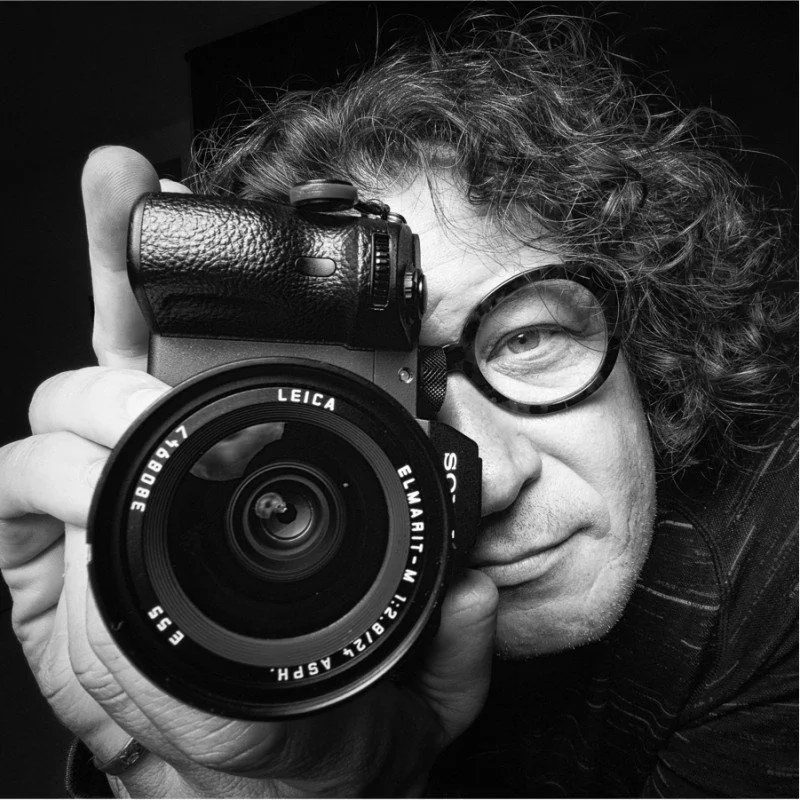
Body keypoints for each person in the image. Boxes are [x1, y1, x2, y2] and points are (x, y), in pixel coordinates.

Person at [0, 11, 796, 798]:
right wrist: (164, 765)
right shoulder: (265, 667)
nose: (489, 479)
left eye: (528, 339)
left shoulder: (781, 556)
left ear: (648, 336)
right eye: (381, 397)